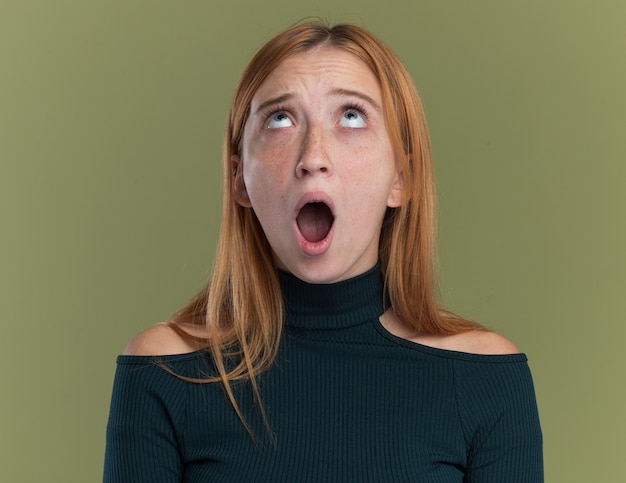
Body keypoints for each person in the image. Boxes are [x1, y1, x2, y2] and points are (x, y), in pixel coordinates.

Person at [104, 21, 543, 482]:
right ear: (239, 179)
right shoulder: (163, 372)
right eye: (280, 119)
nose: (313, 156)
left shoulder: (485, 379)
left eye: (351, 116)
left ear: (402, 178)